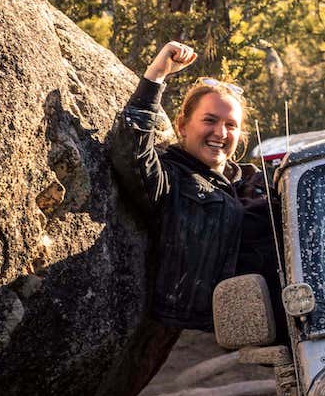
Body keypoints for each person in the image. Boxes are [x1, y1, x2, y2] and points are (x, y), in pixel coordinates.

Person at [109, 41, 286, 338]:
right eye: (209, 121)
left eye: (231, 125)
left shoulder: (253, 181)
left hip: (289, 328)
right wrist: (157, 74)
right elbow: (132, 152)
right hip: (212, 335)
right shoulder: (172, 179)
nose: (220, 133)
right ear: (182, 125)